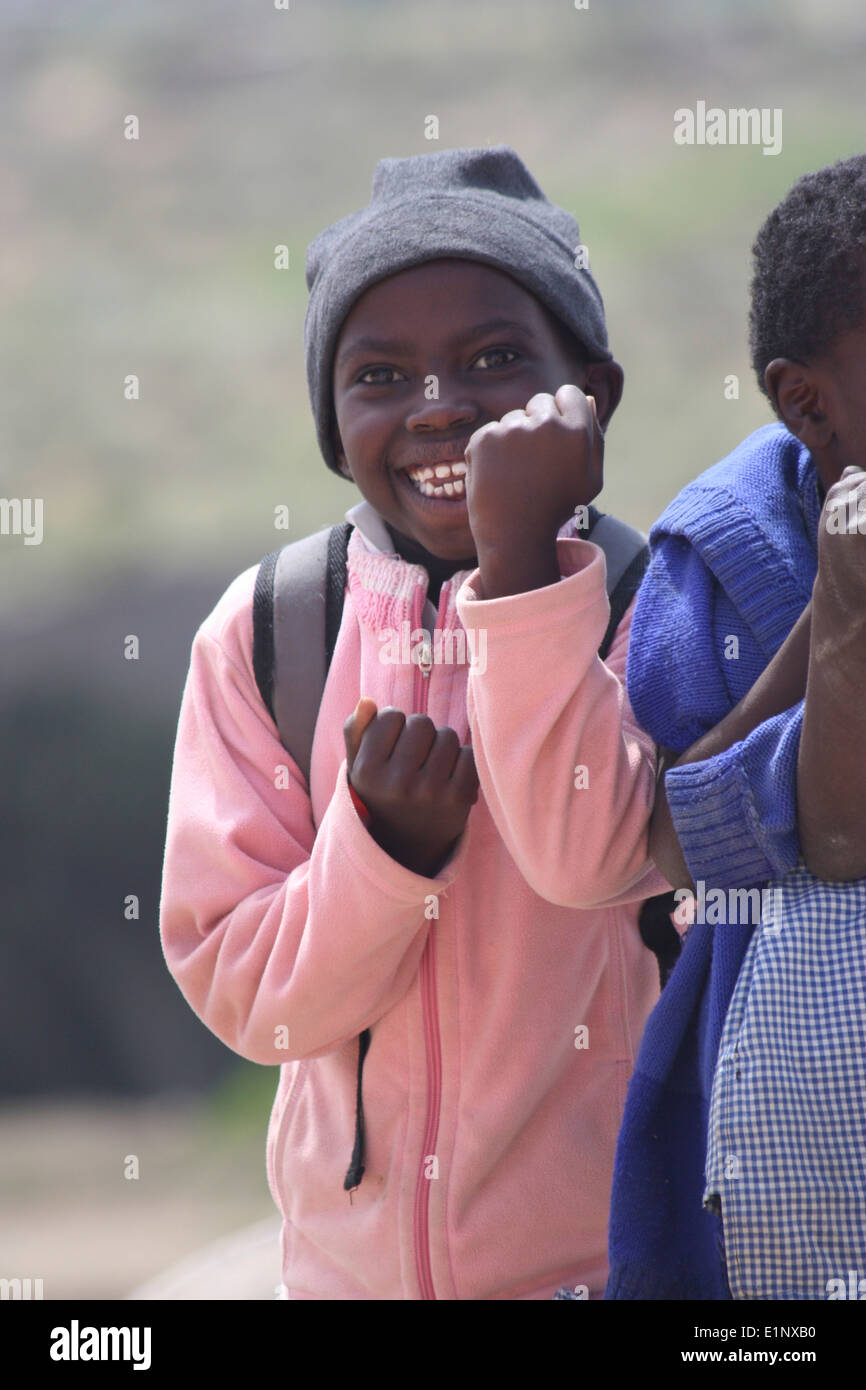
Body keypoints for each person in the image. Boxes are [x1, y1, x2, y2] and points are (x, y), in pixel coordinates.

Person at [159, 145, 670, 1300]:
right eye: (379, 376)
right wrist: (380, 854)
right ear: (333, 430)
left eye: (493, 360)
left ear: (592, 394)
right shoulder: (271, 632)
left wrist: (528, 575)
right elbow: (246, 997)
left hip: (611, 1276)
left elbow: (590, 861)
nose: (437, 407)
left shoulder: (658, 610)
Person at [604, 153, 866, 1299]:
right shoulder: (718, 557)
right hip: (795, 1128)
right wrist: (836, 610)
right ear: (805, 398)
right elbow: (682, 834)